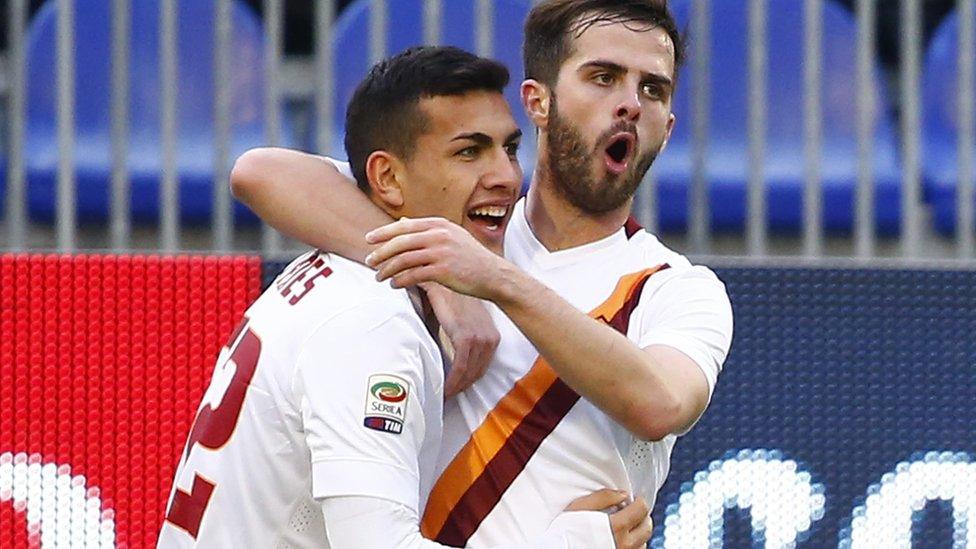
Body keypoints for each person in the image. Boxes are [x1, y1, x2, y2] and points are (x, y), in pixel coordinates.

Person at [232, 0, 733, 546]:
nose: (630, 105)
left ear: (667, 128)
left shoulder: (675, 288)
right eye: (603, 78)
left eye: (652, 90)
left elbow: (660, 403)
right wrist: (436, 278)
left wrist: (493, 282)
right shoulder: (459, 221)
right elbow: (261, 173)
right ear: (538, 102)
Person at [158, 46, 651, 548]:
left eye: (509, 148)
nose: (505, 176)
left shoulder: (342, 261)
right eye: (468, 151)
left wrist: (430, 274)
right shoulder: (374, 325)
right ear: (388, 179)